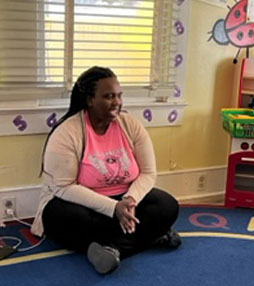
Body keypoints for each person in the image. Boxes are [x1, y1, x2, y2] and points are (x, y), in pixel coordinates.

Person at [31, 66, 181, 274]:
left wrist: (130, 200)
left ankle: (113, 249)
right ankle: (150, 237)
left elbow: (148, 173)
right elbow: (63, 187)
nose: (117, 102)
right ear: (90, 100)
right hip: (84, 203)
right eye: (109, 96)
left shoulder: (131, 125)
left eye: (119, 95)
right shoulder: (67, 132)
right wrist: (113, 209)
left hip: (125, 199)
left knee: (167, 205)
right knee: (62, 217)